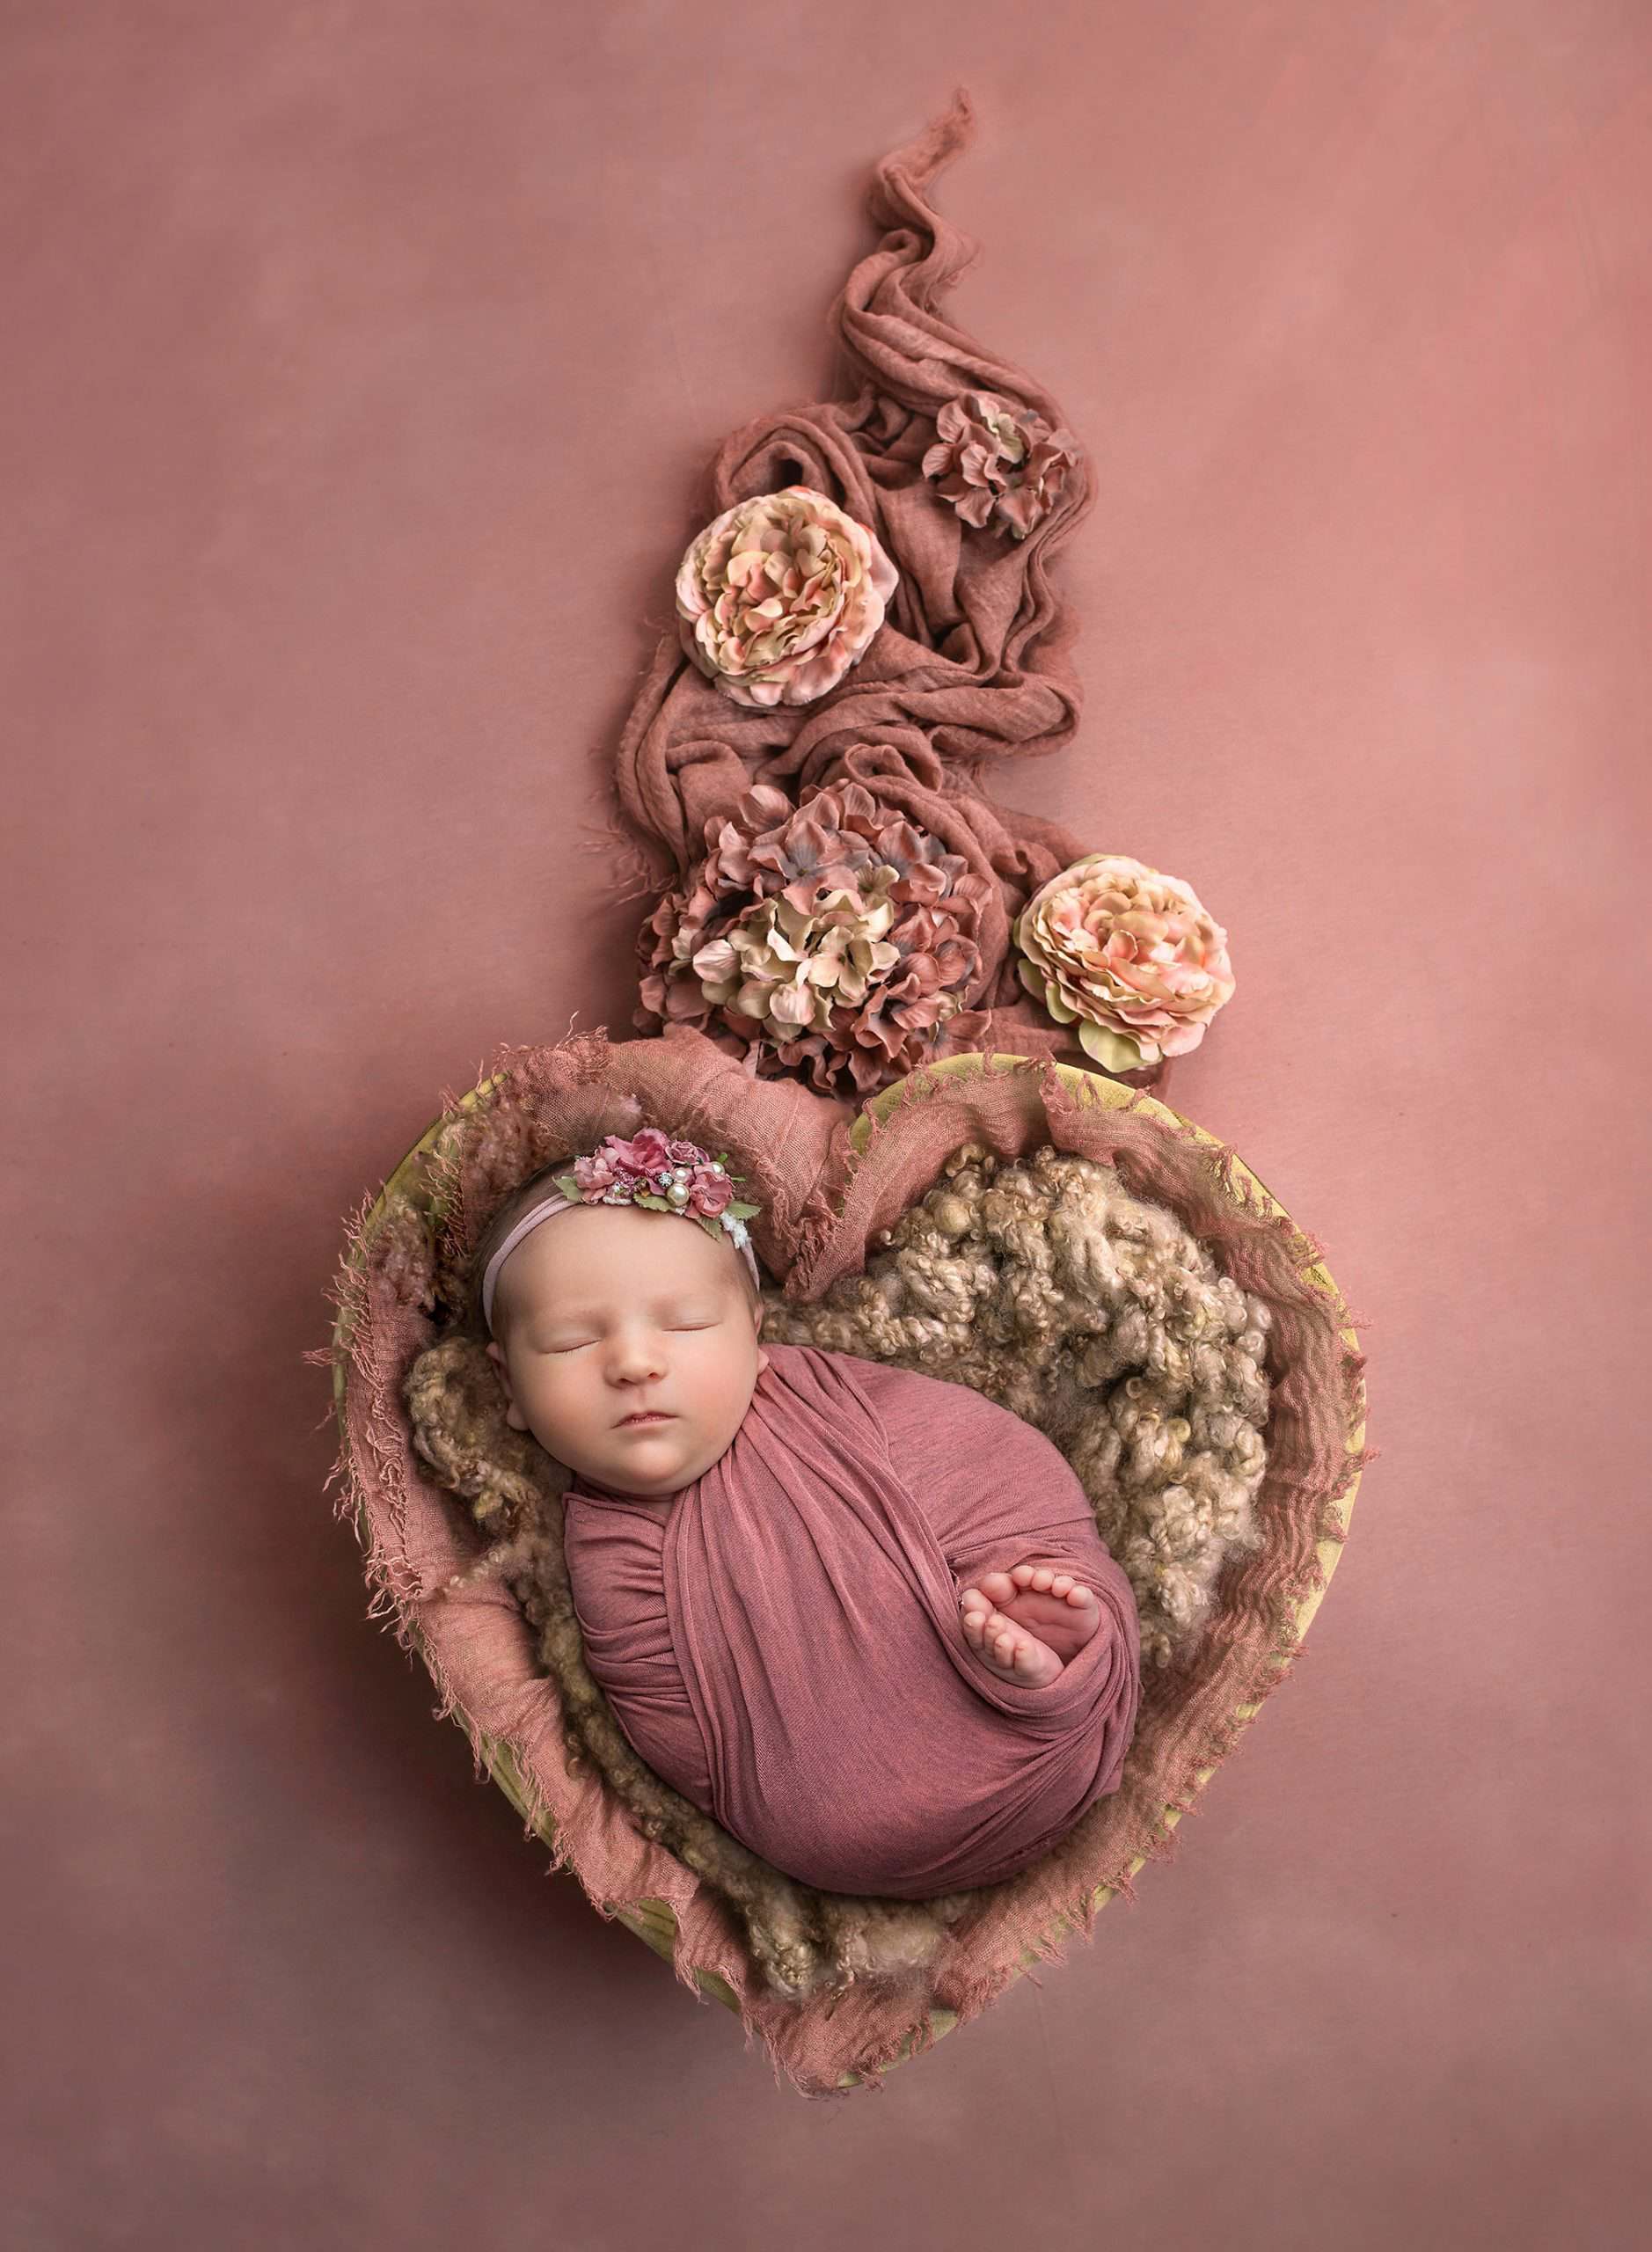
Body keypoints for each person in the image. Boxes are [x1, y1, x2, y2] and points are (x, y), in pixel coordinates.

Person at [476, 1128, 1141, 1897]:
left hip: (1045, 1747)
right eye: (568, 1342)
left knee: (1055, 1584)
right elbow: (681, 1738)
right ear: (509, 1390)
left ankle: (1051, 1672)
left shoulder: (851, 1408)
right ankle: (1016, 1682)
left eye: (687, 1323)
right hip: (844, 1848)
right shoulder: (608, 1553)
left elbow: (1004, 1476)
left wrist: (1017, 1576)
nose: (633, 1363)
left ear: (754, 1336)